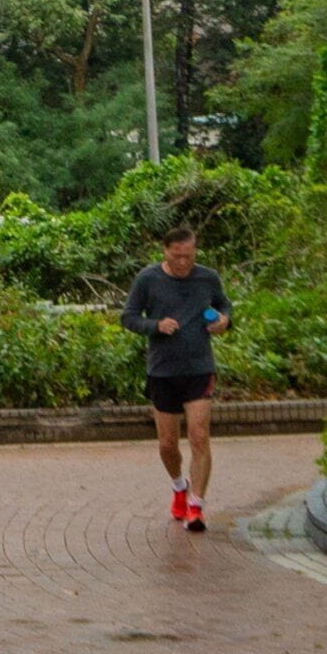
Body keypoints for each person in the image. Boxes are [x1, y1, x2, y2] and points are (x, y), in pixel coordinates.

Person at [119, 226, 229, 531]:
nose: (183, 262)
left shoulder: (207, 277)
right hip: (163, 370)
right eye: (177, 255)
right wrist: (155, 326)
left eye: (189, 256)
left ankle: (197, 506)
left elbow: (224, 305)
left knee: (199, 436)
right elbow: (128, 317)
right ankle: (179, 486)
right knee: (168, 444)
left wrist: (223, 321)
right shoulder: (148, 279)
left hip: (199, 369)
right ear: (165, 251)